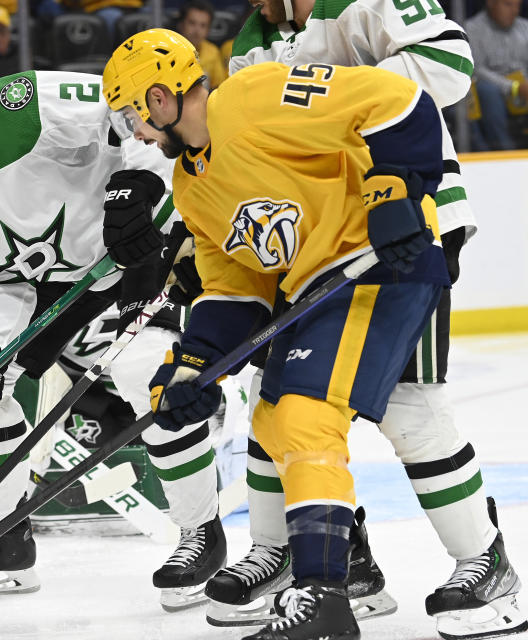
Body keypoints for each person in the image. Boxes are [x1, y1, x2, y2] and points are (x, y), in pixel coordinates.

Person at [104, 27, 466, 639]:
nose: (132, 133)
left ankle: (324, 594)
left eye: (130, 114)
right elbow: (234, 288)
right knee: (272, 416)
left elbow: (398, 101)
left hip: (383, 262)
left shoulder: (251, 97)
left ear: (160, 99)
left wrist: (393, 188)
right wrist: (194, 365)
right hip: (317, 289)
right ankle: (328, 572)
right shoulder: (192, 187)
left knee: (312, 414)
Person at [0, 70, 228, 600]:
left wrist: (140, 183)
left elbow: (129, 113)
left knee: (148, 369)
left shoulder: (12, 105)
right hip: (73, 289)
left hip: (148, 250)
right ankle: (3, 542)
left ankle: (202, 534)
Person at [218, 0, 526, 637]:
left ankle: (485, 564)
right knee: (274, 396)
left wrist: (348, 103)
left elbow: (449, 63)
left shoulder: (367, 2)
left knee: (409, 405)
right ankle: (325, 558)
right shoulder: (252, 42)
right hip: (308, 246)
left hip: (403, 230)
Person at [466, 0, 528, 150]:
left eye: (517, 6)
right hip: (494, 90)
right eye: (508, 4)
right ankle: (505, 152)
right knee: (487, 91)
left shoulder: (525, 27)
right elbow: (476, 69)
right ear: (491, 3)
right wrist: (513, 87)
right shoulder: (472, 28)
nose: (514, 11)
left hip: (524, 88)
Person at [175, 0, 227, 88]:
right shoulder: (168, 50)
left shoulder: (213, 52)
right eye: (192, 23)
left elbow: (219, 87)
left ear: (208, 30)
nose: (197, 30)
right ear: (181, 24)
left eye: (203, 25)